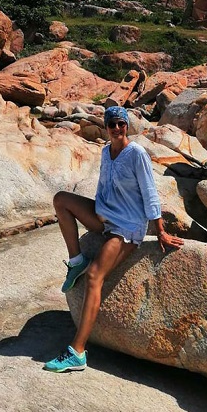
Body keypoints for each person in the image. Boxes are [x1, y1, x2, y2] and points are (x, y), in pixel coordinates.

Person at [44, 105, 184, 373]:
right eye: (113, 125)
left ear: (127, 126)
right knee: (61, 200)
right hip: (105, 217)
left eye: (122, 124)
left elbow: (150, 192)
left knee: (95, 276)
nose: (118, 129)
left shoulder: (137, 153)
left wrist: (160, 230)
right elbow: (105, 185)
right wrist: (97, 212)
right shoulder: (105, 152)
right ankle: (76, 261)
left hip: (127, 226)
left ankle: (78, 352)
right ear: (106, 127)